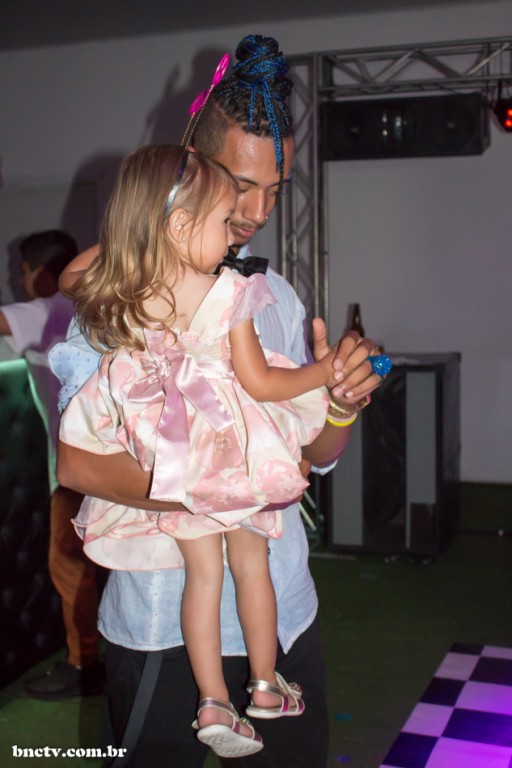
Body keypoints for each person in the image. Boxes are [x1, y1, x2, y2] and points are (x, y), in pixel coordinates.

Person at [55, 35, 383, 767]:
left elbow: (311, 458)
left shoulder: (273, 295)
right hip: (161, 619)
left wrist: (338, 400)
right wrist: (216, 487)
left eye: (276, 189)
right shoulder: (117, 299)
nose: (258, 210)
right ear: (193, 169)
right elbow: (76, 466)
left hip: (283, 610)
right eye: (241, 185)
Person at [0, 229, 105, 699]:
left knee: (69, 567)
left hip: (76, 474)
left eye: (22, 272)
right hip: (109, 465)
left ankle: (84, 664)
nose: (18, 281)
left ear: (43, 274)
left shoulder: (45, 309)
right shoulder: (90, 311)